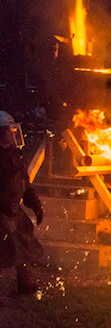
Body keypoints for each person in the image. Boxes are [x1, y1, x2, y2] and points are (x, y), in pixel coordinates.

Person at [0, 111, 44, 295]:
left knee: (24, 240)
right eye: (9, 130)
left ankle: (25, 282)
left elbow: (24, 182)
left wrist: (35, 205)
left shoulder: (15, 154)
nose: (13, 133)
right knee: (8, 244)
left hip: (13, 208)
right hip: (0, 209)